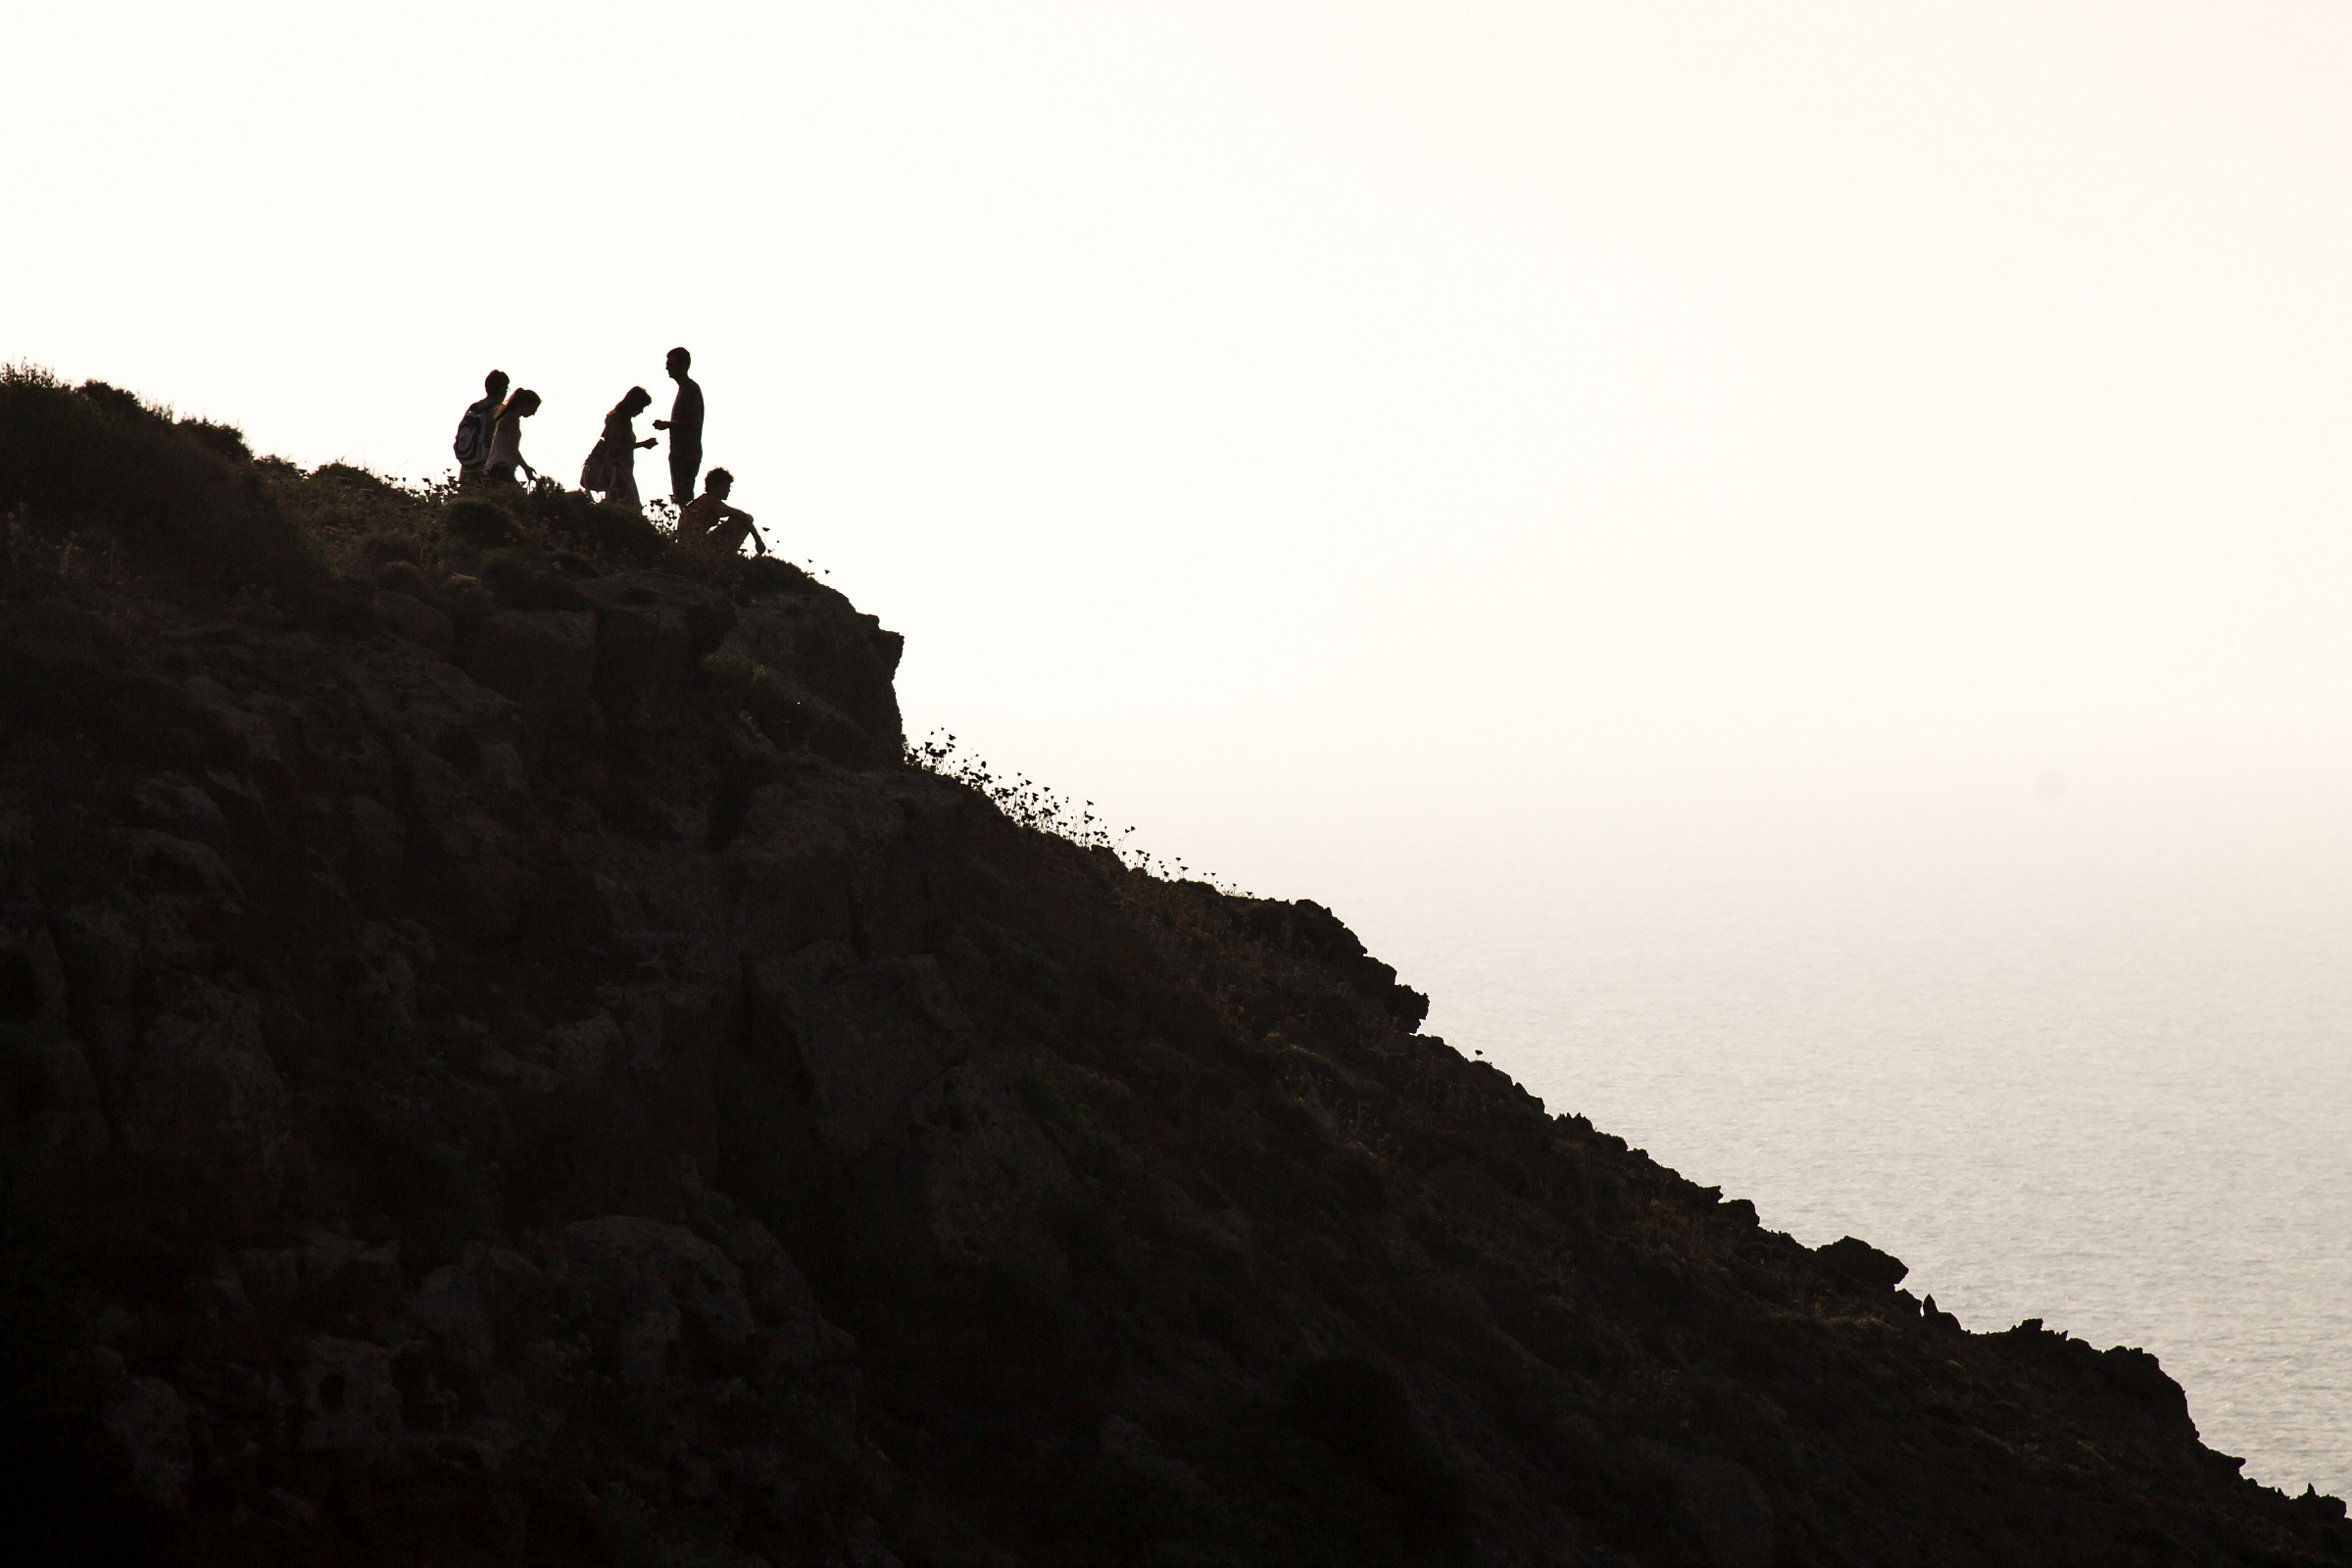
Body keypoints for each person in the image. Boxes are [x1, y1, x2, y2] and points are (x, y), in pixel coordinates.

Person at [582, 386, 658, 510]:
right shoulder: (617, 418)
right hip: (617, 471)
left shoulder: (624, 420)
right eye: (641, 407)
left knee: (625, 504)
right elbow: (615, 447)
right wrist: (642, 444)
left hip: (623, 470)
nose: (641, 411)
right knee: (627, 505)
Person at [651, 346, 704, 505]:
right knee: (681, 497)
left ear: (683, 365)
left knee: (684, 499)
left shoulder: (691, 389)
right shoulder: (684, 389)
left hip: (686, 454)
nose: (667, 367)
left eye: (671, 364)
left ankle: (689, 528)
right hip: (680, 453)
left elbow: (694, 422)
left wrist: (668, 424)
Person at [674, 467, 765, 557]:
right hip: (695, 548)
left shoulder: (702, 500)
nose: (728, 490)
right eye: (725, 487)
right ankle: (726, 556)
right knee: (745, 519)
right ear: (715, 486)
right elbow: (742, 516)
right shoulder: (710, 501)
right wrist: (758, 541)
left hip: (689, 545)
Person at [453, 369, 509, 483]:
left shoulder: (474, 407)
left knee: (468, 499)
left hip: (468, 466)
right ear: (503, 389)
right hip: (490, 469)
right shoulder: (501, 411)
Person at [482, 389, 541, 486]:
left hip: (496, 469)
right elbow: (513, 450)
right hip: (501, 470)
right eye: (534, 409)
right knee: (517, 499)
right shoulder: (512, 419)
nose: (534, 413)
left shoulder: (508, 417)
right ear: (525, 404)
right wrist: (526, 468)